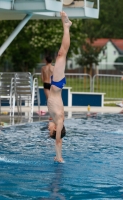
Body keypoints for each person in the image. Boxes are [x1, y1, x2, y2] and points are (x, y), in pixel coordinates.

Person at [47, 11, 72, 162]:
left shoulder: (56, 119)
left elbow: (58, 139)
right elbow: (59, 141)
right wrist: (59, 157)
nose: (48, 128)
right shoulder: (60, 120)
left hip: (55, 84)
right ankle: (67, 26)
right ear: (55, 130)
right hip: (57, 84)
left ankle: (67, 27)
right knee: (61, 54)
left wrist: (56, 156)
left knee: (61, 54)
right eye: (50, 131)